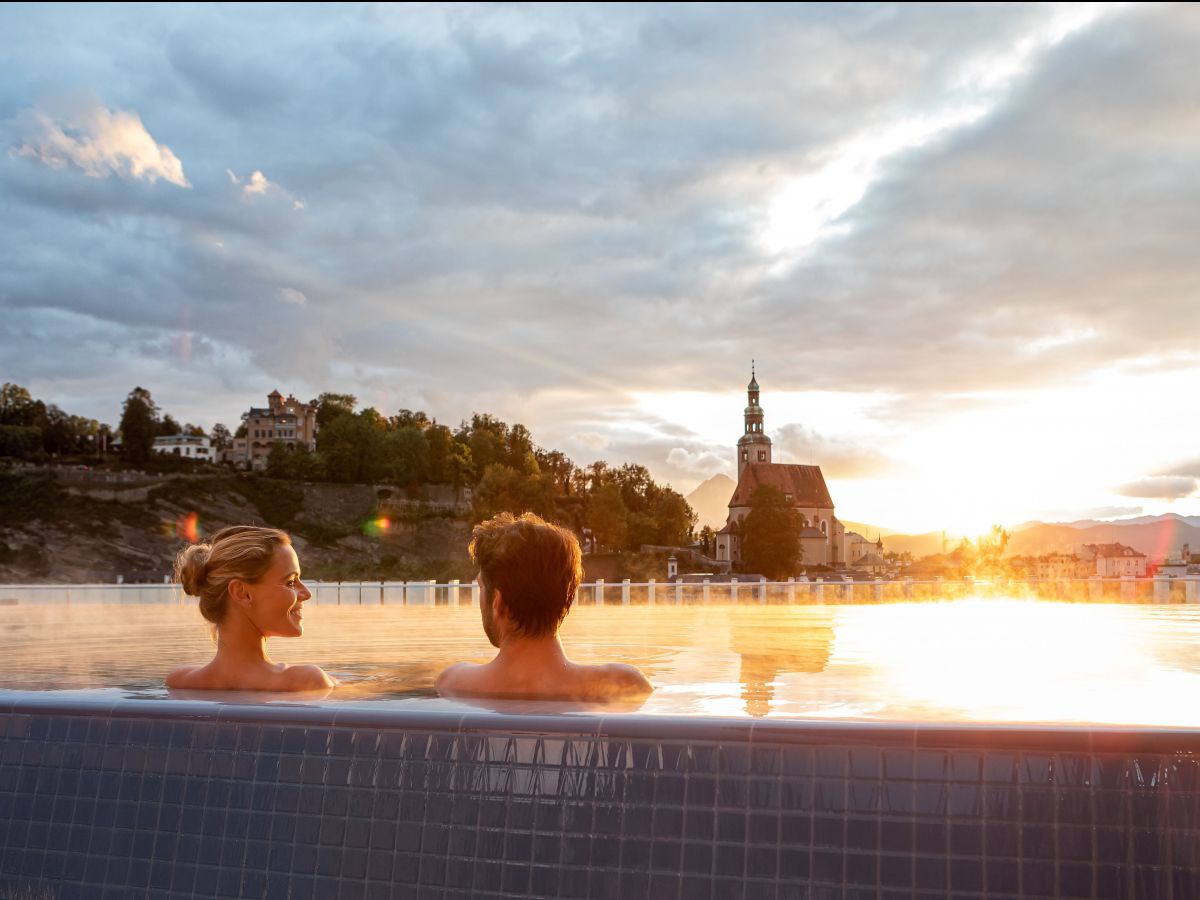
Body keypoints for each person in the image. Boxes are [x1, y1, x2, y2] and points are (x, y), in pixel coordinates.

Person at [436, 512, 652, 702]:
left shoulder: (454, 683)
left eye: (481, 588)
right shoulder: (625, 685)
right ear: (567, 597)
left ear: (497, 603)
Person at [167, 525, 335, 691]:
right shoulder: (306, 681)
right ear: (242, 593)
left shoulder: (179, 681)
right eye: (290, 582)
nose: (306, 593)